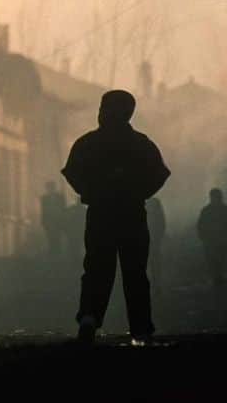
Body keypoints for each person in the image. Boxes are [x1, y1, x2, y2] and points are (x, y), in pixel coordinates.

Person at [61, 90, 170, 345]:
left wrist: (91, 191)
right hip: (132, 214)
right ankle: (140, 328)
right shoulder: (141, 144)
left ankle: (89, 318)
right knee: (136, 272)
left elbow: (72, 173)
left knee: (97, 268)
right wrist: (137, 192)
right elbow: (159, 175)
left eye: (103, 107)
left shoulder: (88, 143)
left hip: (100, 214)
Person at [196, 188, 227, 287]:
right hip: (215, 241)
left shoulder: (207, 211)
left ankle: (217, 278)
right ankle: (218, 278)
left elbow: (200, 226)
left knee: (216, 260)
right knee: (216, 260)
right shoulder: (225, 210)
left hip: (216, 241)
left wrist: (202, 237)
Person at [40, 181, 67, 257]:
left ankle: (57, 253)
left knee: (57, 237)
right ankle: (52, 253)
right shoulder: (44, 198)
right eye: (48, 188)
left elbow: (64, 209)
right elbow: (43, 211)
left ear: (54, 188)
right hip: (48, 222)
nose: (49, 189)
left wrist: (63, 221)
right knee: (50, 238)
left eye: (51, 187)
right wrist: (43, 221)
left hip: (58, 222)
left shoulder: (60, 197)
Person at [146, 197, 167, 293]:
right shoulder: (155, 204)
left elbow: (161, 223)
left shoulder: (151, 203)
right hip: (153, 240)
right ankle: (155, 284)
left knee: (153, 264)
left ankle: (155, 284)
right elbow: (162, 223)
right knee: (155, 264)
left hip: (151, 240)